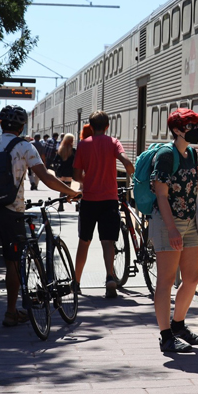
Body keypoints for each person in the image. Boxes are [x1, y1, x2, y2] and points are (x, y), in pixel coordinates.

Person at [0, 106, 79, 335]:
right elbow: (46, 177)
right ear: (22, 128)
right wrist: (71, 193)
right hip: (12, 212)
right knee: (13, 262)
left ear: (0, 124)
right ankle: (11, 312)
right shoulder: (24, 147)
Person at [150, 108, 198, 353]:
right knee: (166, 281)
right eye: (189, 126)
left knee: (192, 278)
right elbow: (161, 195)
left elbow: (193, 188)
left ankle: (178, 324)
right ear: (176, 130)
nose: (194, 130)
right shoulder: (165, 154)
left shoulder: (191, 153)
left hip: (189, 221)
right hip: (167, 222)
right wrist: (172, 229)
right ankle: (165, 336)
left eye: (195, 125)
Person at [72, 110, 134, 298]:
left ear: (91, 127)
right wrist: (131, 173)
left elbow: (75, 175)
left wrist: (88, 179)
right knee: (108, 241)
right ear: (107, 126)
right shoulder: (113, 142)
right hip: (109, 199)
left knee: (84, 241)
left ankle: (76, 282)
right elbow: (127, 163)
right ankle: (109, 277)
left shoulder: (83, 145)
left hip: (89, 200)